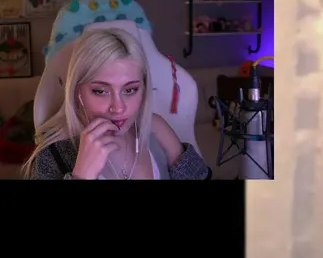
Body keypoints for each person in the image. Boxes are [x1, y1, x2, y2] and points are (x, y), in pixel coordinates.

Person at [23, 28, 212, 180]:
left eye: (130, 90)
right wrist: (82, 175)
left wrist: (177, 153)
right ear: (77, 91)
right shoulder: (52, 155)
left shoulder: (155, 128)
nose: (118, 108)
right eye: (101, 91)